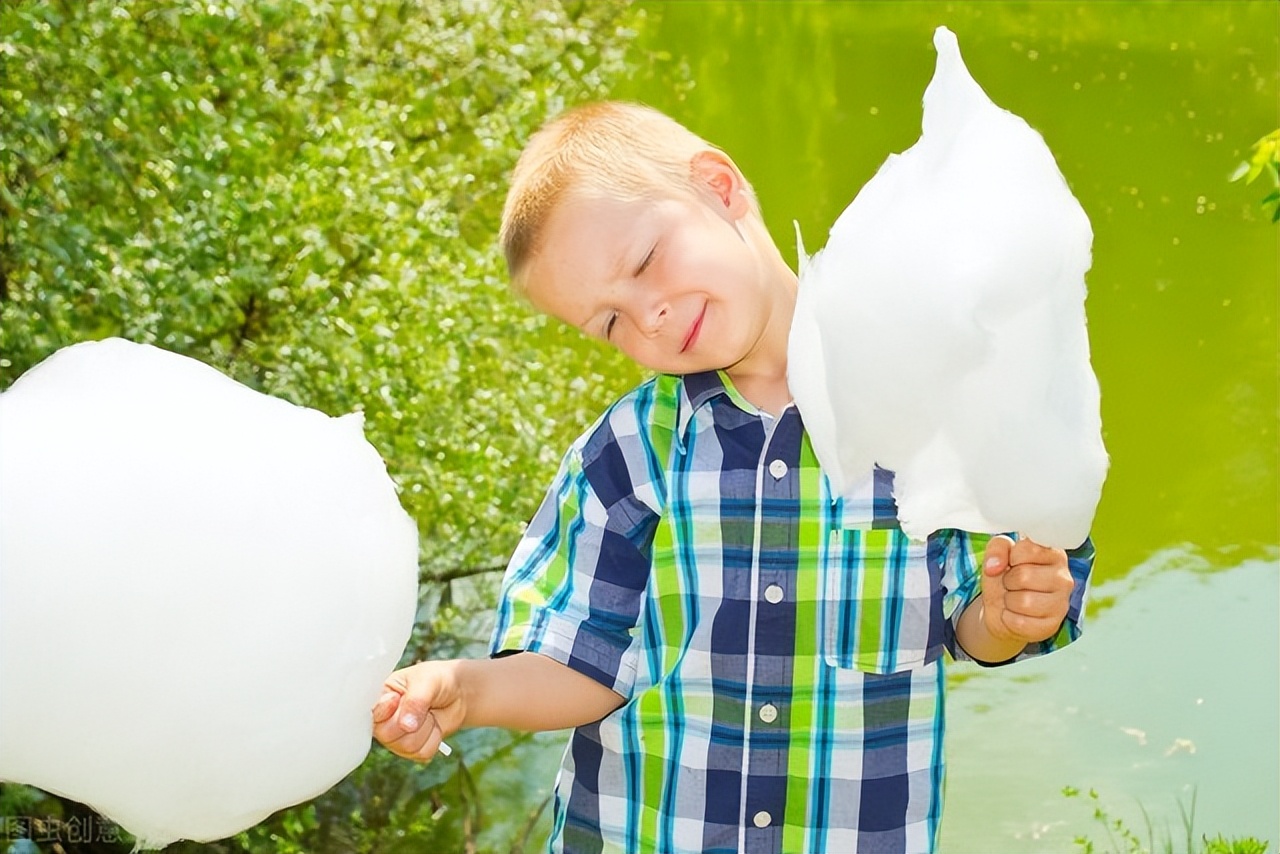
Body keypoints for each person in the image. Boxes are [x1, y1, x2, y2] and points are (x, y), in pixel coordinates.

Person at [372, 101, 1094, 854]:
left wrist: (1012, 615)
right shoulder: (630, 451)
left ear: (719, 188)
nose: (647, 316)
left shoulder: (927, 409)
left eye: (646, 262)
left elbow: (971, 622)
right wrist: (467, 691)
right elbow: (583, 662)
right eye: (610, 323)